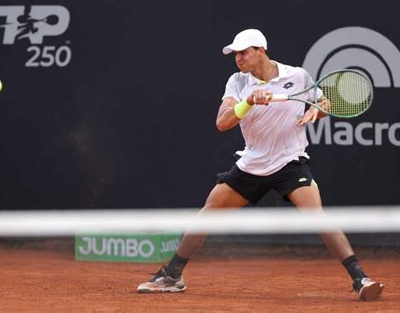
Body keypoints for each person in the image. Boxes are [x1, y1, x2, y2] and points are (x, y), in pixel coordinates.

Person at [136, 29, 384, 301]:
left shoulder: (297, 76)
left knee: (318, 217)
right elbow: (223, 122)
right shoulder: (238, 83)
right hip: (252, 164)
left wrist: (318, 108)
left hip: (290, 161)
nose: (238, 58)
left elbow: (322, 102)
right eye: (235, 54)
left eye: (244, 52)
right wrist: (249, 101)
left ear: (261, 51)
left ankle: (360, 278)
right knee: (207, 215)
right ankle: (172, 275)